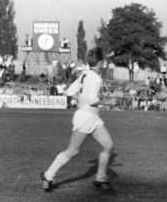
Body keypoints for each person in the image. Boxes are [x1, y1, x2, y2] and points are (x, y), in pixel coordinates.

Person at [41, 47, 115, 193]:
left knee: (108, 146)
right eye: (103, 61)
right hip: (86, 117)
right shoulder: (96, 78)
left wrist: (81, 99)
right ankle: (48, 176)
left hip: (91, 117)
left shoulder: (85, 74)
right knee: (72, 151)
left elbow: (69, 91)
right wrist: (108, 102)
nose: (104, 64)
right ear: (100, 62)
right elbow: (93, 99)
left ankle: (100, 178)